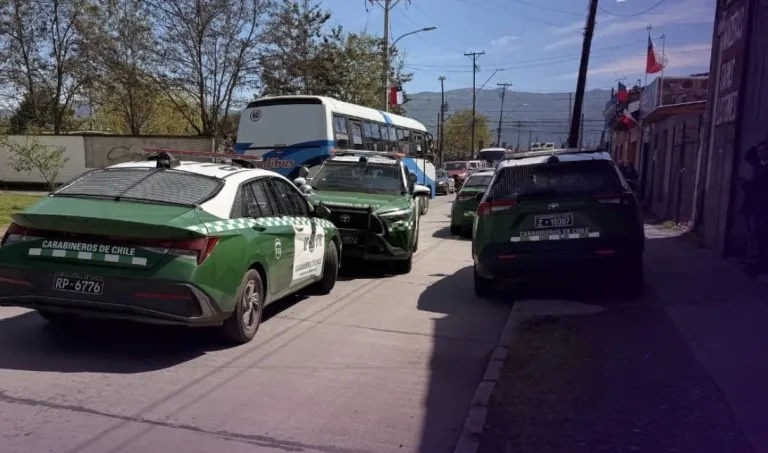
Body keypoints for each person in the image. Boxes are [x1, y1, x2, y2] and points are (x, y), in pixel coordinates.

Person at [741, 141, 768, 275]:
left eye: (764, 150)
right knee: (753, 235)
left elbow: (760, 189)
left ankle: (756, 264)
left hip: (761, 208)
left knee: (757, 236)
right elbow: (748, 155)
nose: (761, 153)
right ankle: (753, 262)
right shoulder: (759, 165)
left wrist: (746, 185)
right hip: (752, 206)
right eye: (759, 151)